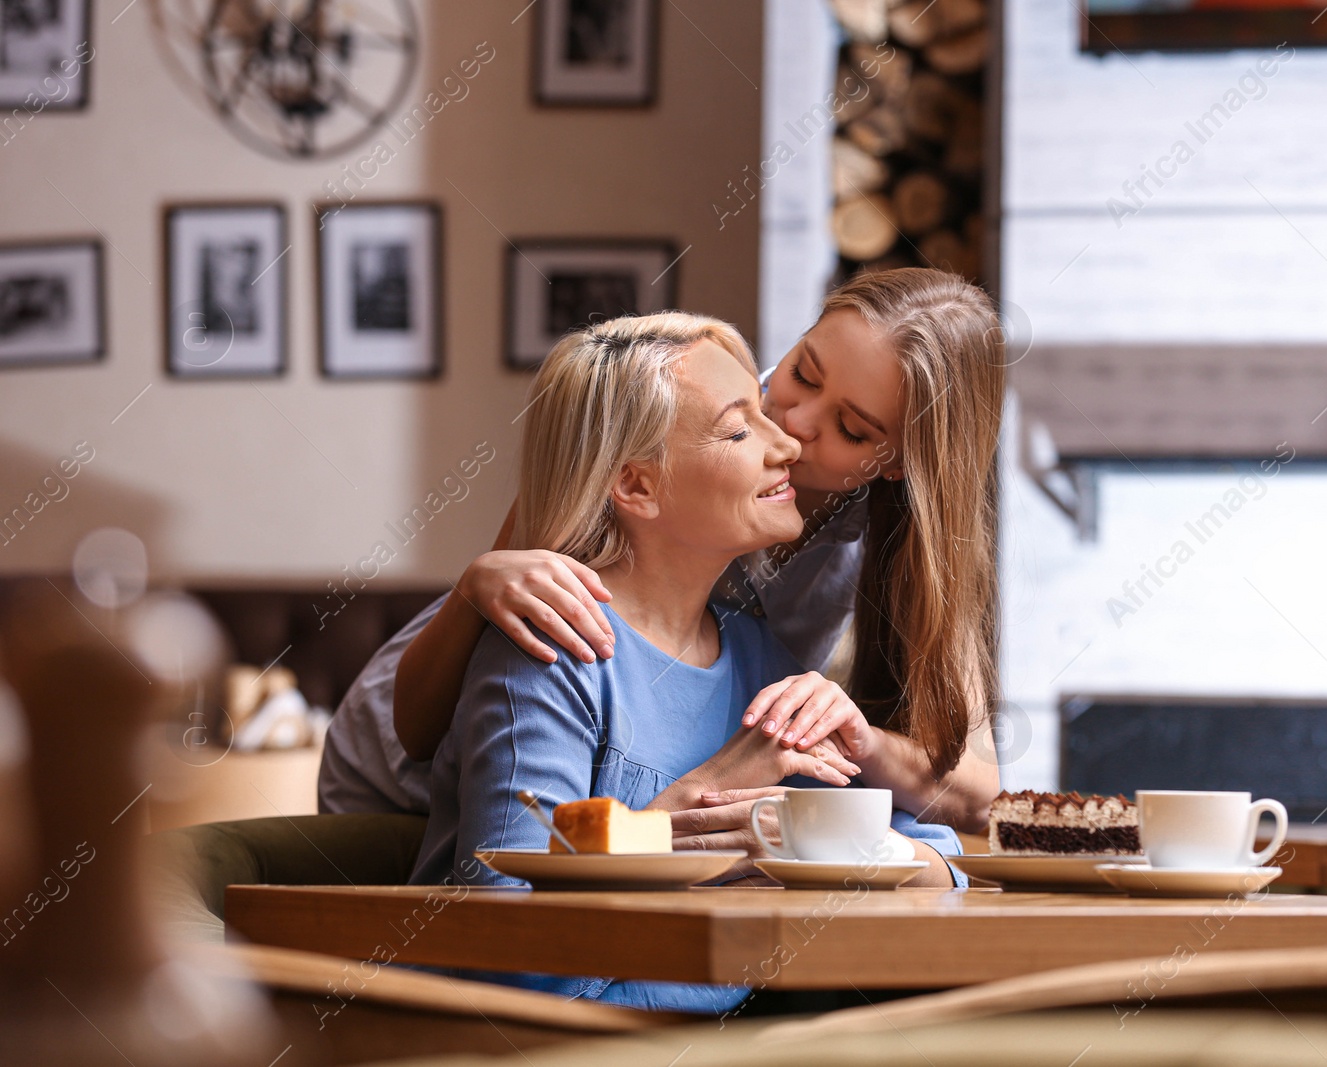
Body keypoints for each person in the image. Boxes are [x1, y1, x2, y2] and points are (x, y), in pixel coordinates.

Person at [319, 267, 1006, 838]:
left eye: (851, 429)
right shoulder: (660, 413)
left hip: (635, 812)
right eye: (803, 371)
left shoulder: (890, 545)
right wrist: (476, 589)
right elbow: (420, 730)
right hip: (418, 778)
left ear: (897, 463)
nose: (793, 424)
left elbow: (975, 796)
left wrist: (854, 735)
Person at [407, 312, 965, 1013]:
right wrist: (710, 798)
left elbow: (942, 858)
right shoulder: (553, 653)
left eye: (764, 415)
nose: (786, 442)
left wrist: (870, 851)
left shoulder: (762, 660)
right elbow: (509, 966)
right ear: (636, 486)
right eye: (740, 430)